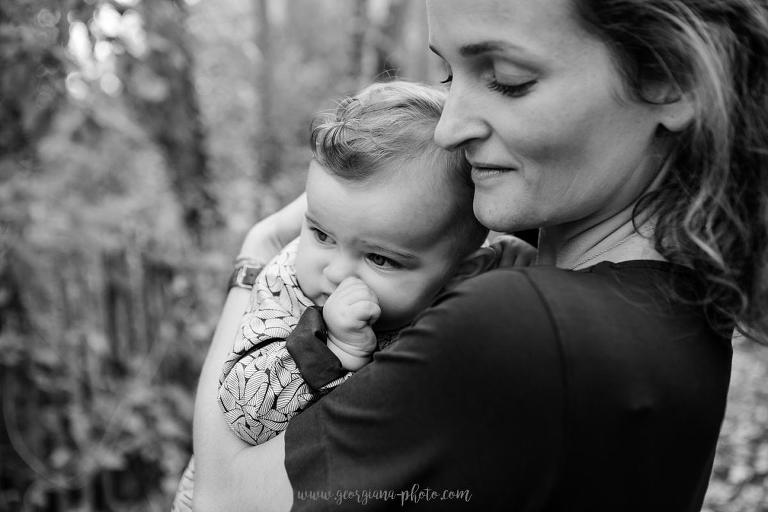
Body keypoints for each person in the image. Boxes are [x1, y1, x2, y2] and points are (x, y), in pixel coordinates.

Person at [191, 0, 768, 510]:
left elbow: (225, 501)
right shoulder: (683, 307)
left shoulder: (517, 328)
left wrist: (258, 257)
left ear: (670, 79)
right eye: (447, 73)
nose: (448, 129)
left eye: (508, 80)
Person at [172, 80, 532, 511]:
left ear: (462, 271)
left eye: (380, 259)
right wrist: (332, 349)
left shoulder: (472, 291)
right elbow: (244, 414)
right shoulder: (288, 288)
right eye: (320, 233)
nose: (336, 272)